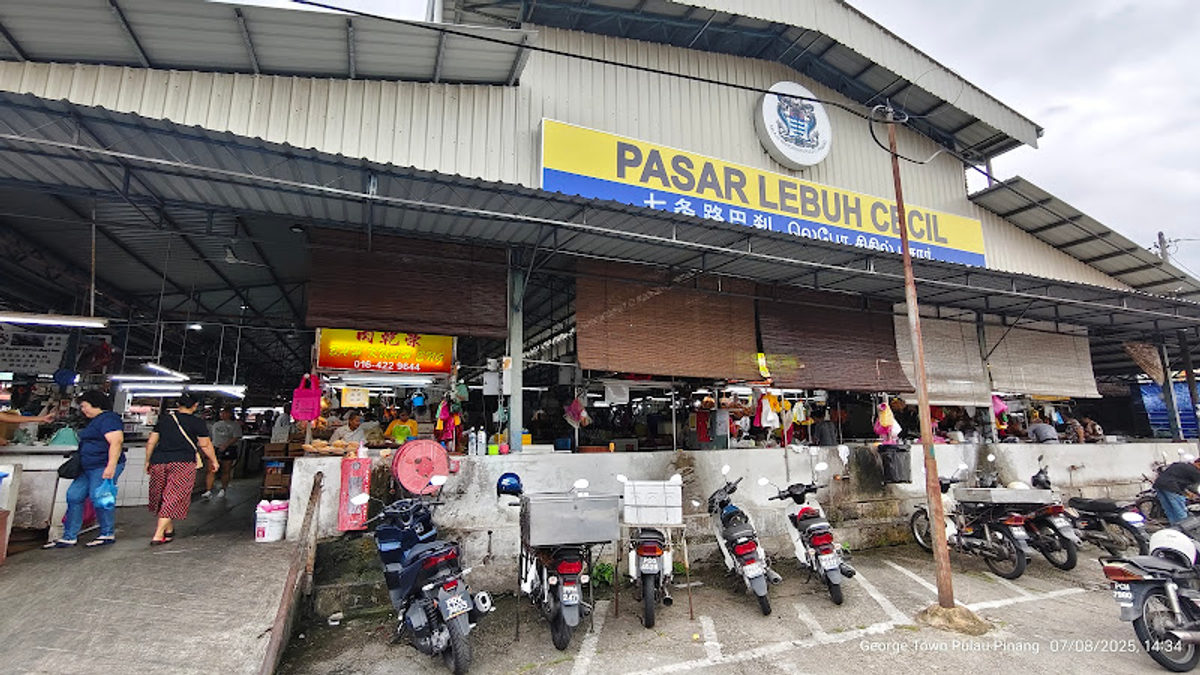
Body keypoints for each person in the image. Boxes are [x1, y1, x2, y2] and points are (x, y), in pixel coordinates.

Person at [43, 391, 124, 548]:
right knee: (74, 495)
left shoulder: (109, 419)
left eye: (84, 406)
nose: (83, 410)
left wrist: (111, 466)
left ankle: (107, 533)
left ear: (95, 403)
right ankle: (69, 536)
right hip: (87, 467)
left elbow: (117, 441)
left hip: (102, 465)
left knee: (100, 498)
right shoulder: (94, 421)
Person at [144, 393, 219, 545]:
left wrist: (147, 461)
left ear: (178, 405)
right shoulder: (197, 423)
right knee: (174, 496)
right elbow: (205, 445)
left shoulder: (164, 420)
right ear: (195, 406)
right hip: (183, 463)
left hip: (159, 461)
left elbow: (151, 442)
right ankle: (158, 534)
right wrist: (214, 460)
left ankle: (168, 529)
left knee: (162, 494)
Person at [204, 407, 243, 500]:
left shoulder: (235, 425)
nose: (222, 415)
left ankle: (223, 488)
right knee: (211, 469)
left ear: (229, 414)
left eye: (224, 413)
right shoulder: (216, 424)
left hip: (229, 448)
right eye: (221, 413)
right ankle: (208, 490)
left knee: (226, 469)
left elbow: (236, 437)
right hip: (215, 447)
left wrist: (226, 445)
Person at [1154, 459, 1200, 525]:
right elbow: (1195, 486)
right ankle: (1185, 528)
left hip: (1159, 485)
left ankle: (1175, 528)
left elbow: (1180, 480)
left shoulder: (1181, 465)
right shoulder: (1194, 471)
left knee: (1169, 510)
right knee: (1180, 511)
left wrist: (1189, 493)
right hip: (1171, 487)